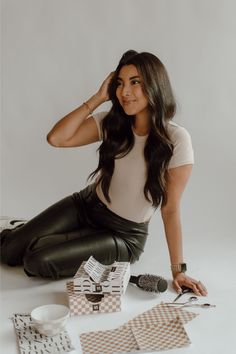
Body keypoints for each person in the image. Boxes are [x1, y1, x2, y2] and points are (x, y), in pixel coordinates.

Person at [0, 50, 207, 296]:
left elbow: (170, 209)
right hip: (86, 206)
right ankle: (23, 233)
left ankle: (42, 237)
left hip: (123, 235)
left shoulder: (176, 139)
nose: (125, 92)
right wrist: (98, 97)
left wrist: (178, 271)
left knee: (35, 261)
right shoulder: (113, 123)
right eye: (119, 83)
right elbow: (57, 139)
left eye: (135, 82)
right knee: (8, 250)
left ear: (155, 85)